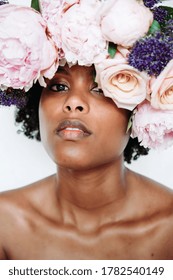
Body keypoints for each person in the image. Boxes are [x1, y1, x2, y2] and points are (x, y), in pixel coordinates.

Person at [0, 0, 173, 260]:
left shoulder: (168, 229)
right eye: (58, 86)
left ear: (140, 106)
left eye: (100, 89)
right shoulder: (6, 225)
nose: (73, 103)